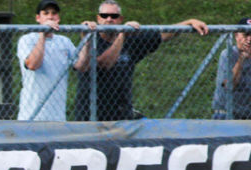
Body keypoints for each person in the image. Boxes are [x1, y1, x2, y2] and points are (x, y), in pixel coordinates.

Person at [71, 5, 207, 122]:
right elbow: (104, 63)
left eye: (114, 15)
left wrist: (189, 22)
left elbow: (163, 34)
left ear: (120, 19)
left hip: (121, 115)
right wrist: (122, 35)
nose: (109, 19)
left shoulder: (130, 38)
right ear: (98, 18)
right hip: (91, 115)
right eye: (104, 15)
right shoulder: (92, 39)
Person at [18, 0, 75, 121]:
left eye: (54, 13)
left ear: (58, 18)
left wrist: (87, 36)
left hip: (58, 117)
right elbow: (33, 64)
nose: (50, 16)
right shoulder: (27, 40)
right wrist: (42, 35)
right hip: (31, 116)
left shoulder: (65, 41)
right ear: (38, 18)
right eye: (46, 13)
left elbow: (82, 65)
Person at [213, 16, 251, 119]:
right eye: (246, 35)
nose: (249, 39)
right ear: (236, 35)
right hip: (226, 113)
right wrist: (242, 58)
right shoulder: (228, 54)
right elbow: (229, 85)